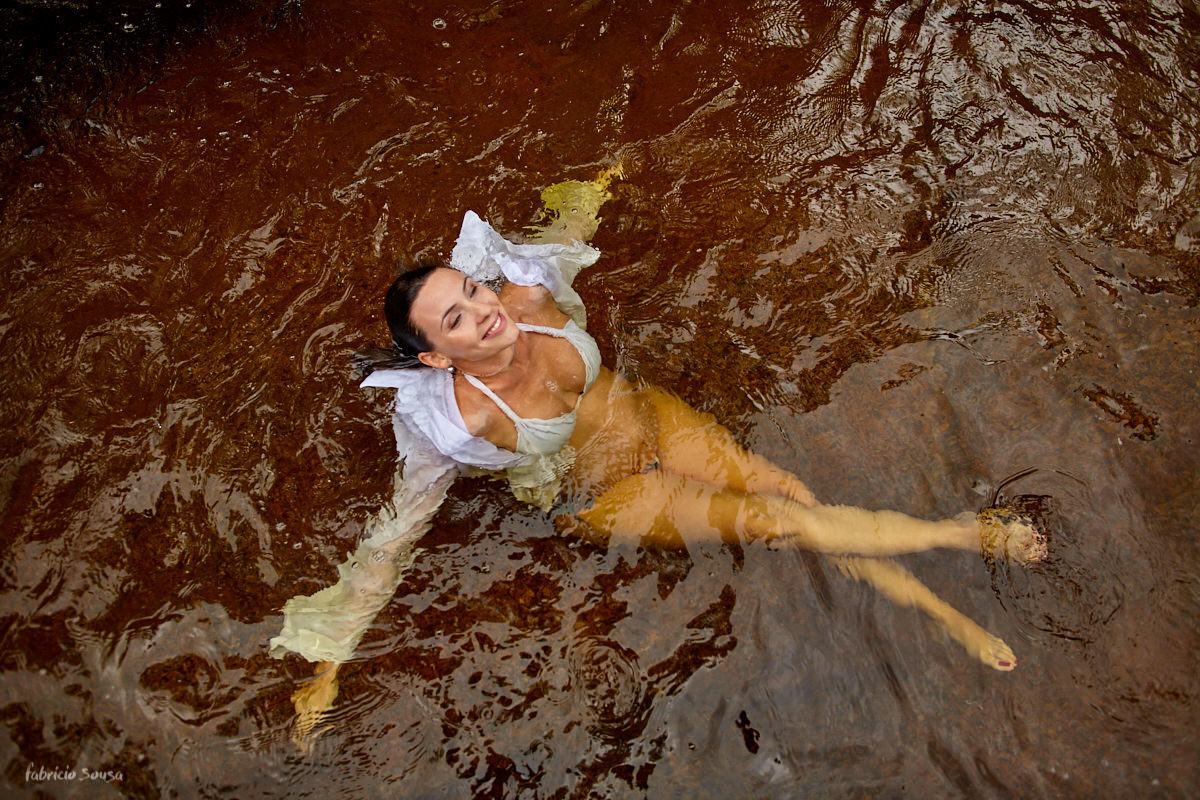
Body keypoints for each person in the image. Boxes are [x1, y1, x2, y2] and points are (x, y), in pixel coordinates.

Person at [275, 172, 1044, 747]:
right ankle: (959, 536)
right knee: (768, 519)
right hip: (602, 494)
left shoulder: (529, 300)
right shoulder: (457, 425)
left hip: (648, 415)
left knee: (791, 493)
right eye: (457, 320)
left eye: (474, 292)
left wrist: (600, 181)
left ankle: (943, 614)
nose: (483, 313)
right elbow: (393, 535)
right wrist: (331, 662)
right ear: (438, 359)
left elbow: (566, 233)